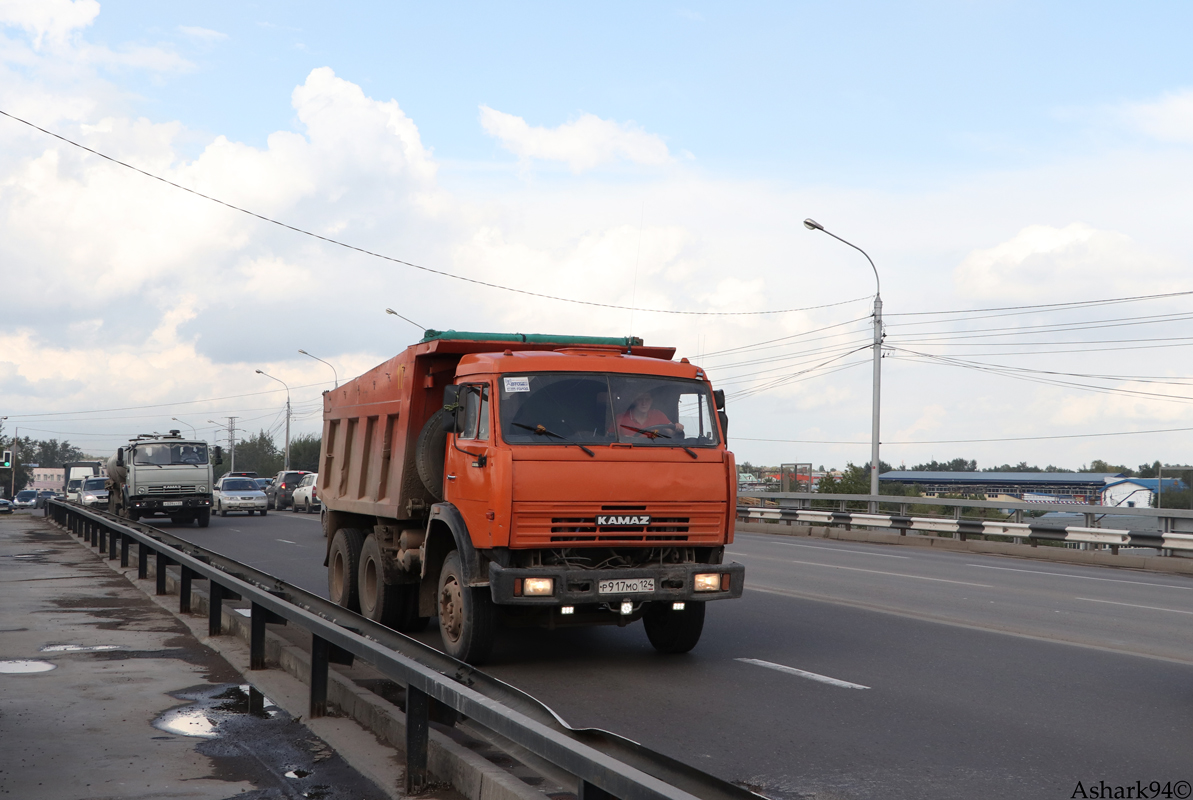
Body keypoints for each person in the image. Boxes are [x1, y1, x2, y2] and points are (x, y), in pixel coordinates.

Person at [615, 391, 684, 440]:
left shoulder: (658, 415)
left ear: (652, 401)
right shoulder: (620, 418)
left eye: (647, 399)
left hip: (654, 453)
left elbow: (671, 432)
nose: (644, 403)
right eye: (640, 399)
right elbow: (610, 439)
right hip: (628, 454)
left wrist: (677, 427)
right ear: (634, 401)